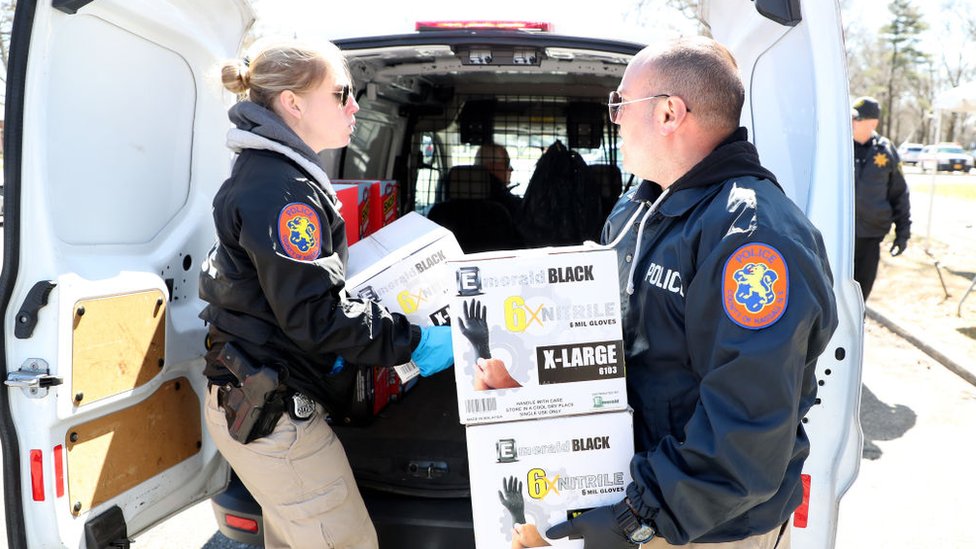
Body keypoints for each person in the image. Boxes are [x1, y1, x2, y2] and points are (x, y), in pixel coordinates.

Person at [546, 37, 838, 548]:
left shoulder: (751, 237)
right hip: (641, 498)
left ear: (667, 113)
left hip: (705, 527)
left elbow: (747, 426)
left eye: (619, 103)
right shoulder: (639, 209)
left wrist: (636, 516)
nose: (613, 118)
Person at [198, 40, 454, 549]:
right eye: (341, 94)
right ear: (293, 103)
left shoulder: (279, 178)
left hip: (267, 398)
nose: (354, 106)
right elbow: (318, 315)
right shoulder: (282, 193)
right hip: (272, 416)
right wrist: (414, 341)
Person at [851, 96, 911, 300]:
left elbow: (899, 194)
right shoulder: (840, 147)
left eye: (857, 119)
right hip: (840, 236)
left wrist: (902, 233)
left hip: (870, 237)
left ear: (873, 122)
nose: (852, 122)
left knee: (861, 294)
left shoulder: (885, 151)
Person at [475, 142, 523, 218]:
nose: (511, 169)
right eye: (507, 163)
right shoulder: (513, 205)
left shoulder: (459, 199)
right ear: (492, 166)